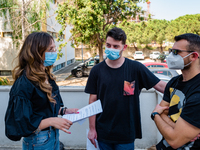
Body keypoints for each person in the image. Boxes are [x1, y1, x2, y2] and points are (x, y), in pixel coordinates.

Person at [85, 27, 166, 150]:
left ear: (124, 47)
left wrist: (185, 91)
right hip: (103, 132)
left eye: (116, 46)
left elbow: (160, 85)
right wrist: (92, 129)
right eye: (108, 45)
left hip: (126, 132)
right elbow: (92, 100)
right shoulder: (97, 70)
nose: (111, 49)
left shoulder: (136, 68)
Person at [4, 32, 78, 150]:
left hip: (52, 137)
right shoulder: (24, 84)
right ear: (36, 52)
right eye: (50, 49)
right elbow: (23, 124)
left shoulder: (47, 76)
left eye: (55, 48)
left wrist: (64, 111)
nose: (55, 52)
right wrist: (51, 121)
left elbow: (41, 107)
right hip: (37, 141)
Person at [151, 33, 200, 150]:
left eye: (176, 52)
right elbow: (163, 111)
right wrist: (177, 128)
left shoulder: (198, 91)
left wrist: (155, 115)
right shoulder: (174, 82)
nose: (171, 56)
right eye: (171, 51)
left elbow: (174, 140)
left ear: (193, 56)